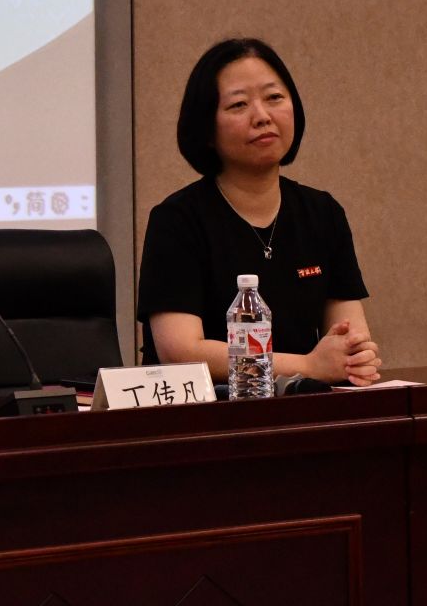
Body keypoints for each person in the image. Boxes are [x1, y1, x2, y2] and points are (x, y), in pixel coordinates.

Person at [137, 38, 381, 386]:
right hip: (209, 411)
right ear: (206, 129)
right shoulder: (177, 220)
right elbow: (181, 352)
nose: (263, 116)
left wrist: (355, 357)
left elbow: (349, 337)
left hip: (303, 409)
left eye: (274, 98)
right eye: (238, 104)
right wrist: (308, 366)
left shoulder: (322, 213)